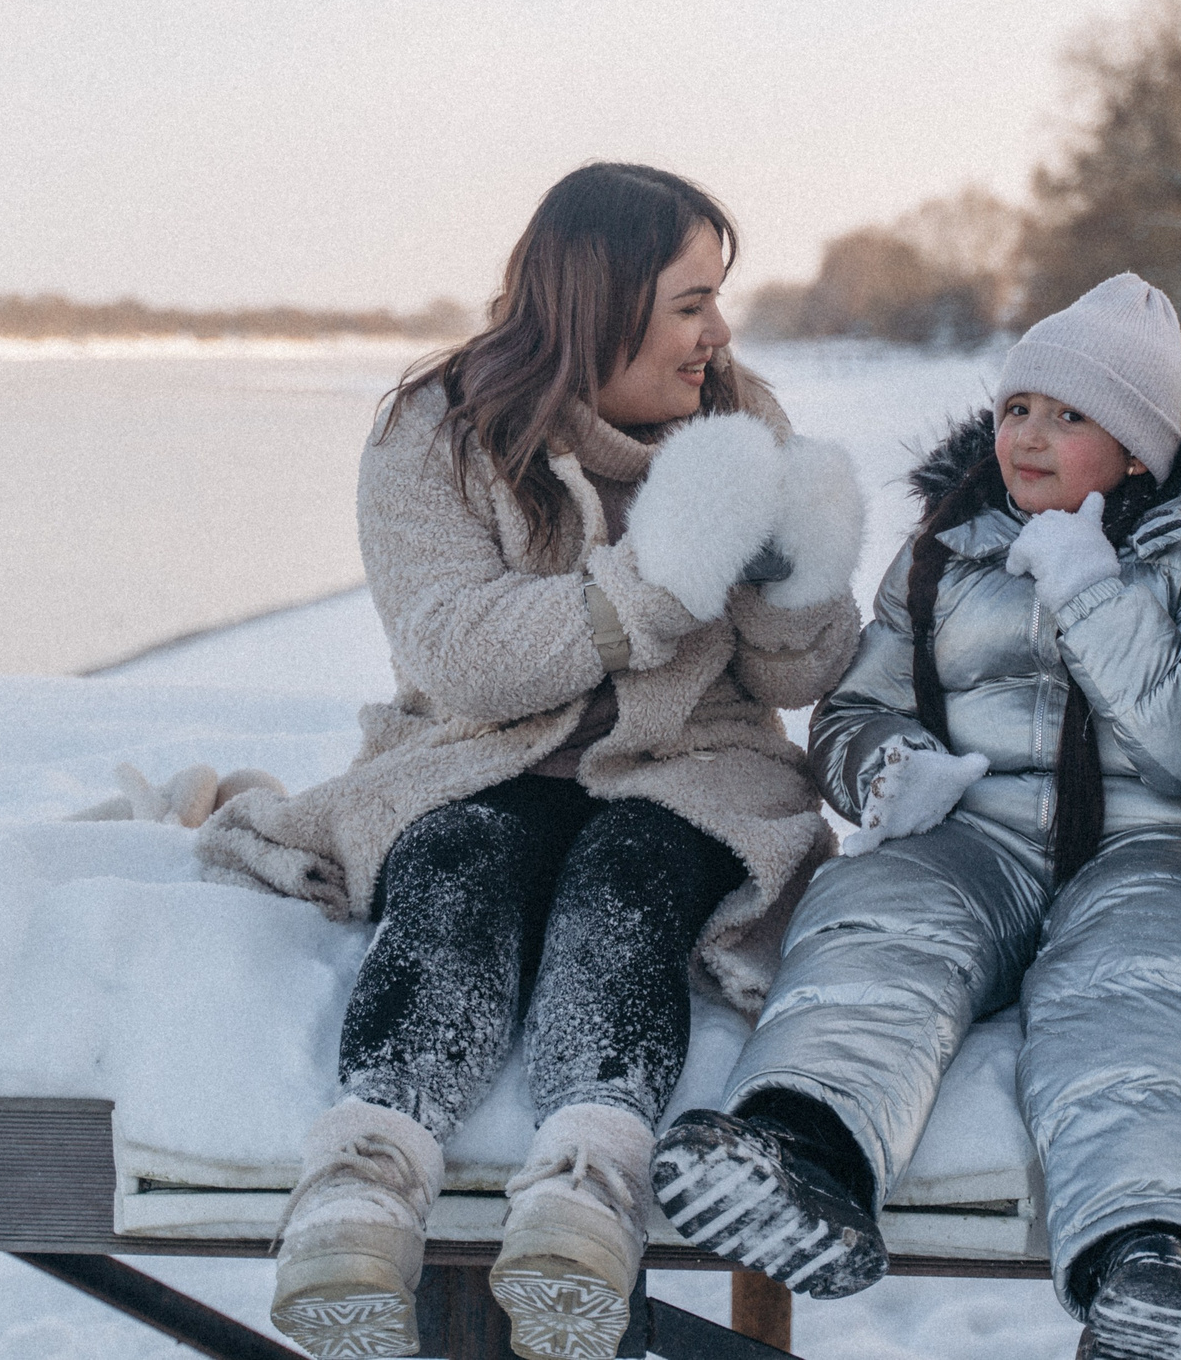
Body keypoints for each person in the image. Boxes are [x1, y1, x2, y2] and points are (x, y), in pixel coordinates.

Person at [193, 164, 865, 1360]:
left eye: (718, 298)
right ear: (598, 300)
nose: (718, 333)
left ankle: (586, 1197)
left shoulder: (740, 423)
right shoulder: (436, 430)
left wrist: (793, 577)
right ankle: (361, 1184)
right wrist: (655, 582)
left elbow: (789, 681)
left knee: (631, 883)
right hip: (475, 757)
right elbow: (458, 653)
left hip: (686, 766)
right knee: (457, 864)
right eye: (690, 302)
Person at [649, 274, 1181, 1360]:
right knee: (876, 910)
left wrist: (1089, 589)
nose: (1029, 435)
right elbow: (852, 708)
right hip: (973, 836)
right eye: (1019, 406)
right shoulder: (943, 551)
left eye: (1072, 416)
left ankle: (1145, 1256)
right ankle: (807, 1154)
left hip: (1153, 847)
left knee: (1141, 981)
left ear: (1138, 451)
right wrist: (886, 769)